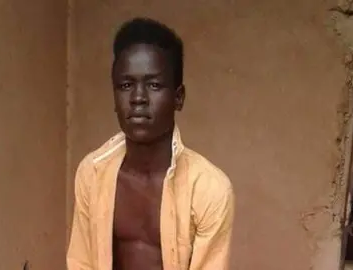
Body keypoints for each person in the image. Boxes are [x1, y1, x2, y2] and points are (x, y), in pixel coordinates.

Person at [67, 17, 235, 270]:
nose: (137, 98)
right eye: (126, 85)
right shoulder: (92, 173)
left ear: (178, 98)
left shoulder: (209, 189)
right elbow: (81, 263)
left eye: (154, 85)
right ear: (114, 96)